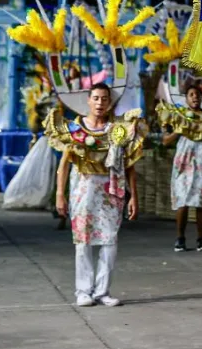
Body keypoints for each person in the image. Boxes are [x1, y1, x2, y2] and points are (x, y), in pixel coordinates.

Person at [46, 83, 146, 307]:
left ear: (109, 102)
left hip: (111, 189)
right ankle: (83, 291)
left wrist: (134, 197)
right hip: (84, 186)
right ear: (89, 101)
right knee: (83, 241)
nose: (100, 103)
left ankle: (102, 291)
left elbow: (128, 165)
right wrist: (60, 195)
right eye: (96, 98)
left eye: (104, 99)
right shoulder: (75, 129)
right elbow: (63, 165)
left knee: (110, 240)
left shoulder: (119, 130)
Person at [158, 86, 202, 252]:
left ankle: (201, 239)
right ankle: (180, 238)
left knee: (201, 202)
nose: (195, 97)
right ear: (185, 98)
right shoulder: (178, 117)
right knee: (183, 201)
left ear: (201, 98)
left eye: (197, 95)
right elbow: (165, 141)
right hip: (184, 162)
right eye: (191, 94)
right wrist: (180, 130)